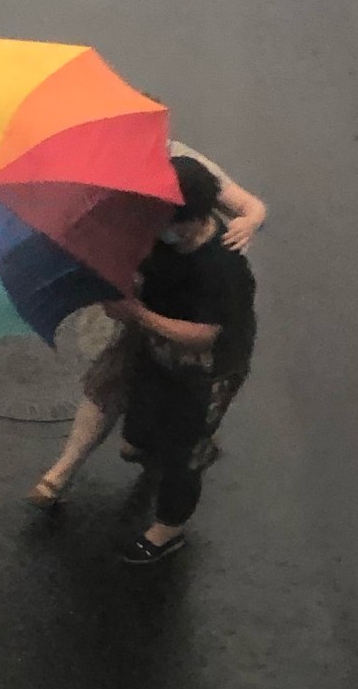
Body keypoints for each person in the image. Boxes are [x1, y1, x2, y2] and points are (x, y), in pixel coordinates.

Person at [29, 145, 264, 506]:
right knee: (109, 383)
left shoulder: (214, 256)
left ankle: (176, 492)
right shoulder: (104, 184)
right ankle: (69, 467)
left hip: (199, 356)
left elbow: (205, 335)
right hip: (154, 316)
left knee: (180, 442)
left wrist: (249, 221)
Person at [109, 156, 257, 563]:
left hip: (207, 370)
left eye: (169, 223)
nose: (160, 231)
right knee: (135, 437)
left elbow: (203, 336)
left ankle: (168, 529)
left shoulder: (223, 267)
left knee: (183, 449)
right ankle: (159, 445)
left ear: (195, 218)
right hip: (158, 352)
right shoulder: (158, 232)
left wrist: (136, 314)